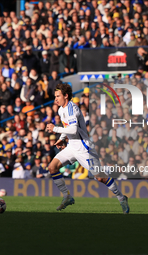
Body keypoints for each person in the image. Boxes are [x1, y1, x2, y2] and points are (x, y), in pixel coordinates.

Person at [45, 83, 129, 214]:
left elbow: (73, 129)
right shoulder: (61, 109)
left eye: (58, 96)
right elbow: (67, 127)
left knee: (100, 177)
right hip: (72, 146)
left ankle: (121, 198)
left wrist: (55, 129)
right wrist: (62, 138)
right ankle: (67, 196)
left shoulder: (73, 108)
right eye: (55, 96)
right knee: (52, 167)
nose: (55, 99)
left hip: (84, 148)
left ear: (66, 96)